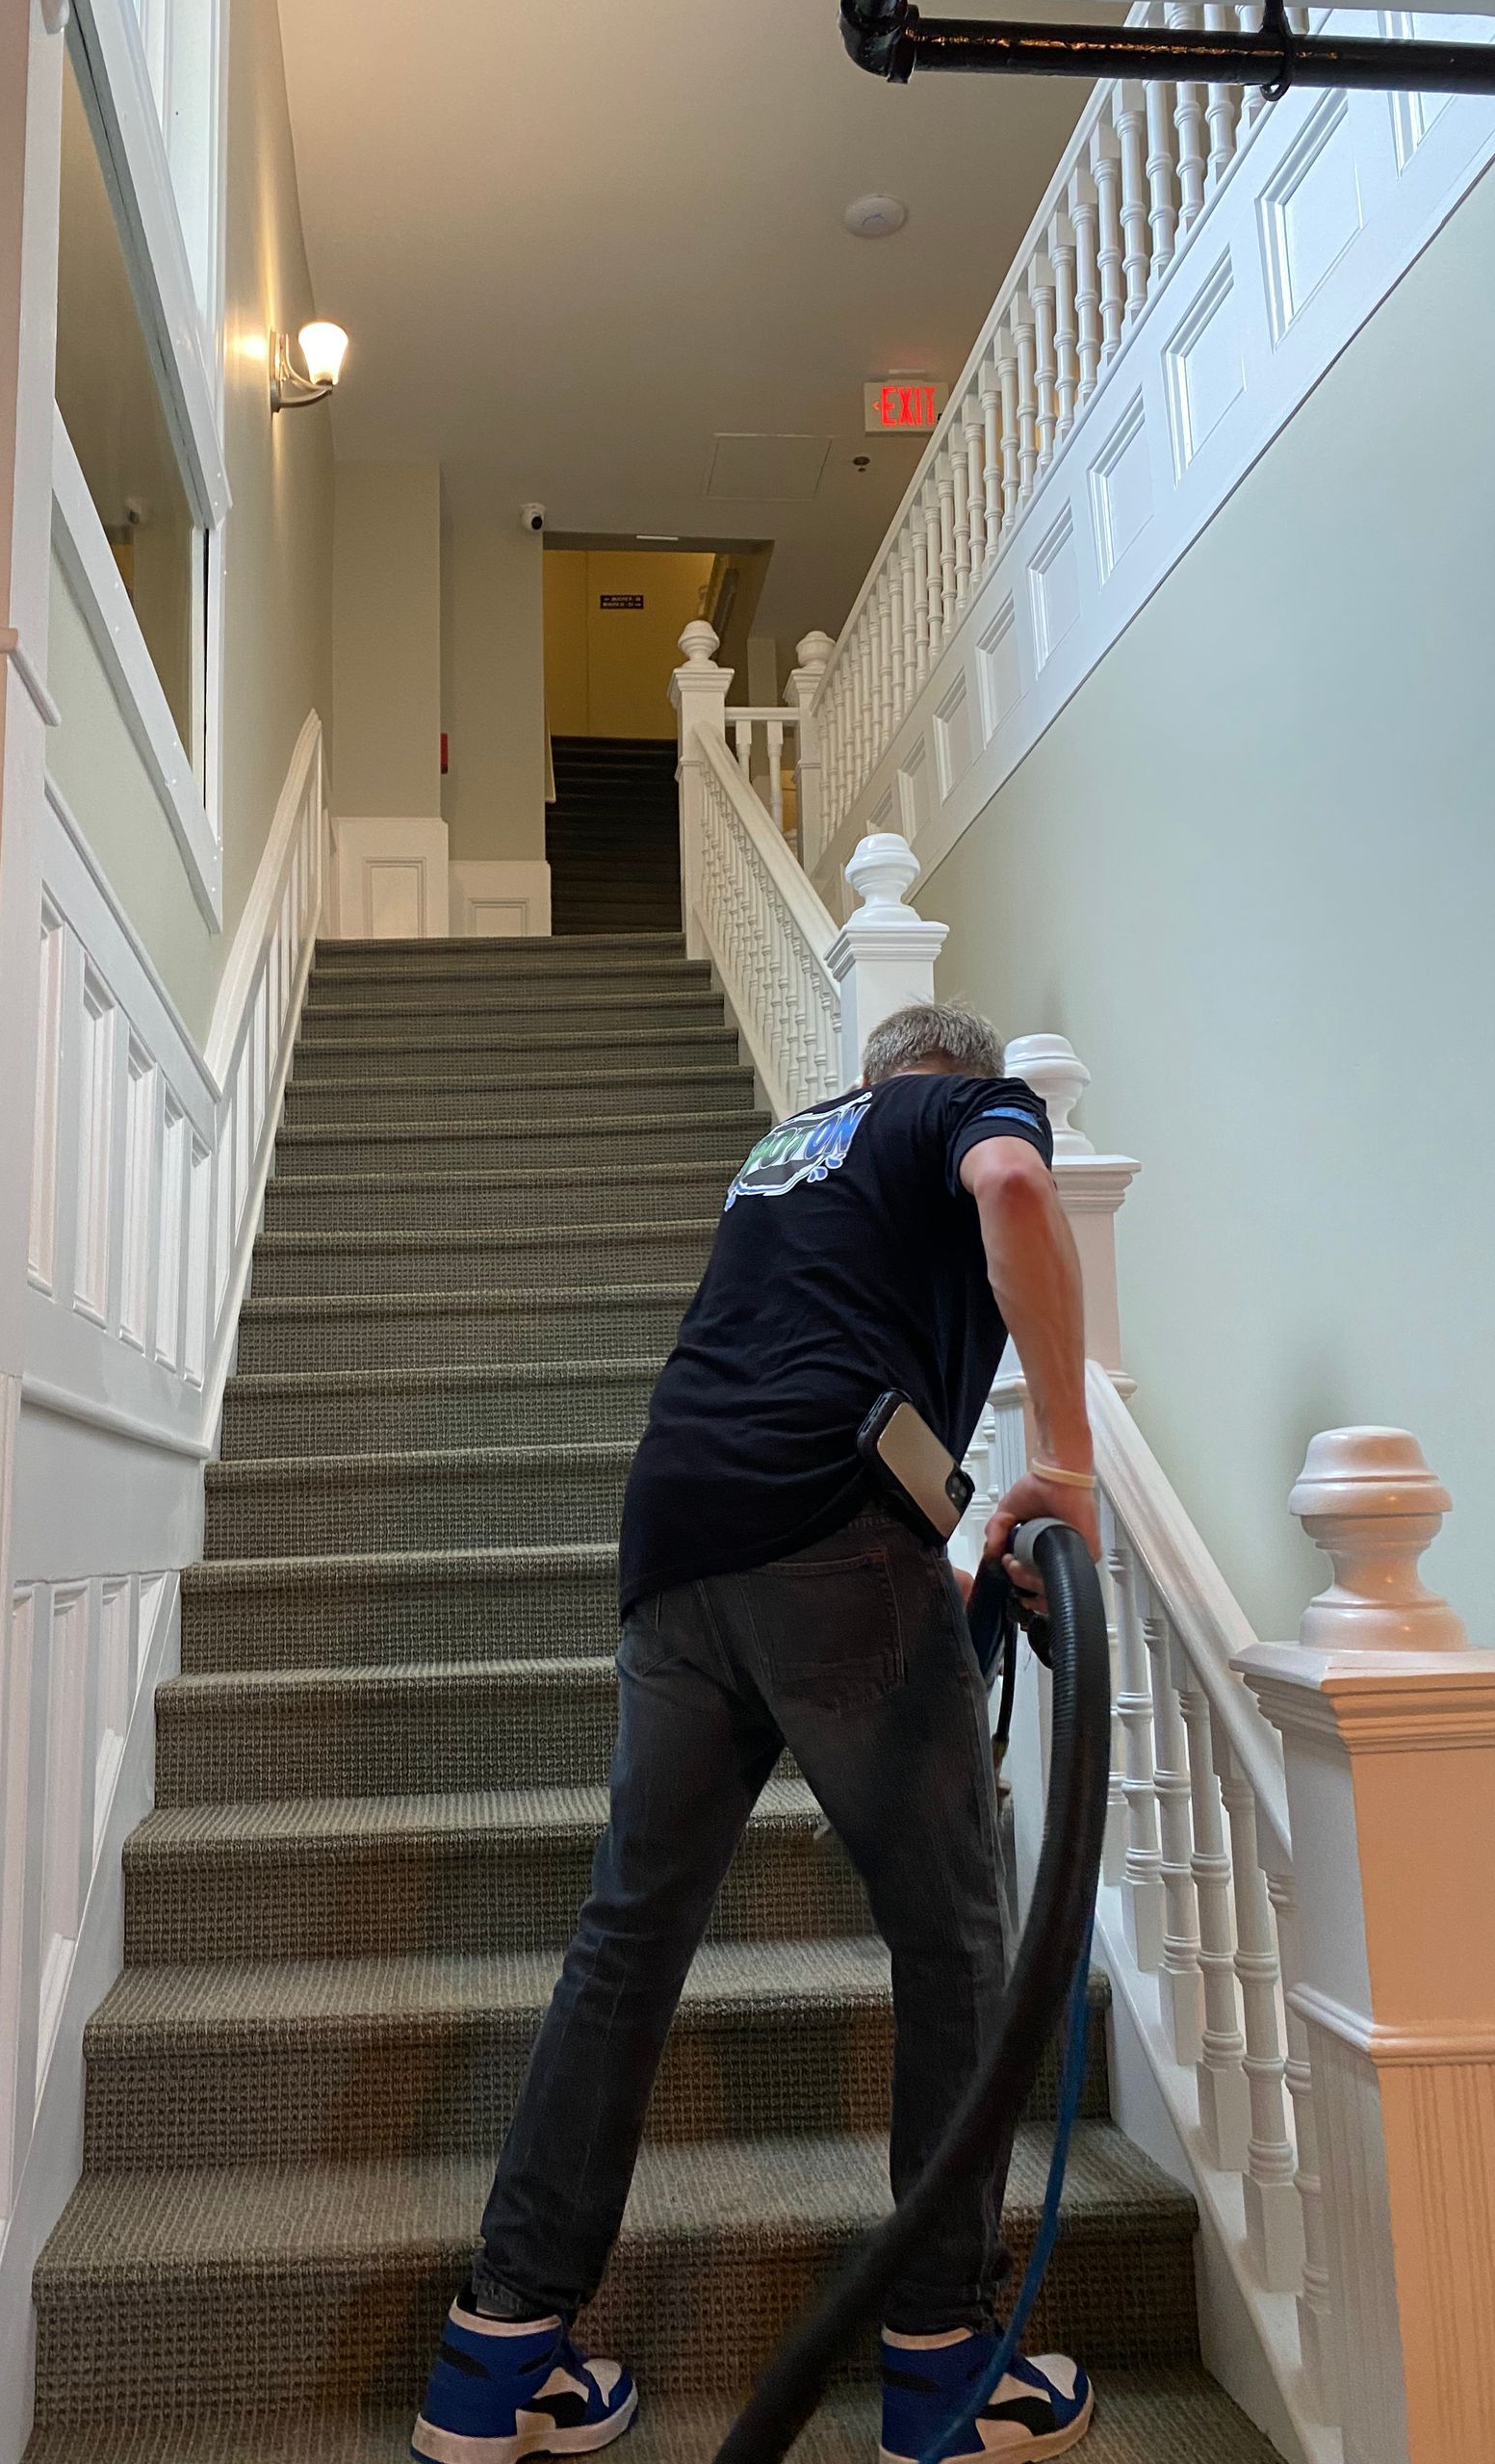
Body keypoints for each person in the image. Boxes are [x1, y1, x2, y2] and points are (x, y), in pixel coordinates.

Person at [411, 1002, 1102, 2464]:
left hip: (680, 1540)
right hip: (826, 1533)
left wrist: (948, 1582)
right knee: (956, 1945)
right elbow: (1016, 1188)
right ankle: (942, 2363)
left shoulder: (790, 1151)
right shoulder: (957, 1112)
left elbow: (823, 1374)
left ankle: (495, 2357)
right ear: (956, 1082)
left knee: (627, 1940)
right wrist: (1069, 1463)